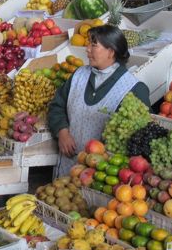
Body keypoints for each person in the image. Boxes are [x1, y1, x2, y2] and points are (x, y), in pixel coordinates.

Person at [47, 25, 150, 177]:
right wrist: (62, 132)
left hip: (102, 174)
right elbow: (57, 105)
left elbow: (137, 136)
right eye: (88, 44)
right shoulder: (79, 75)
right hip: (68, 166)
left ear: (111, 51)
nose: (87, 49)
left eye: (93, 45)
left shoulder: (133, 89)